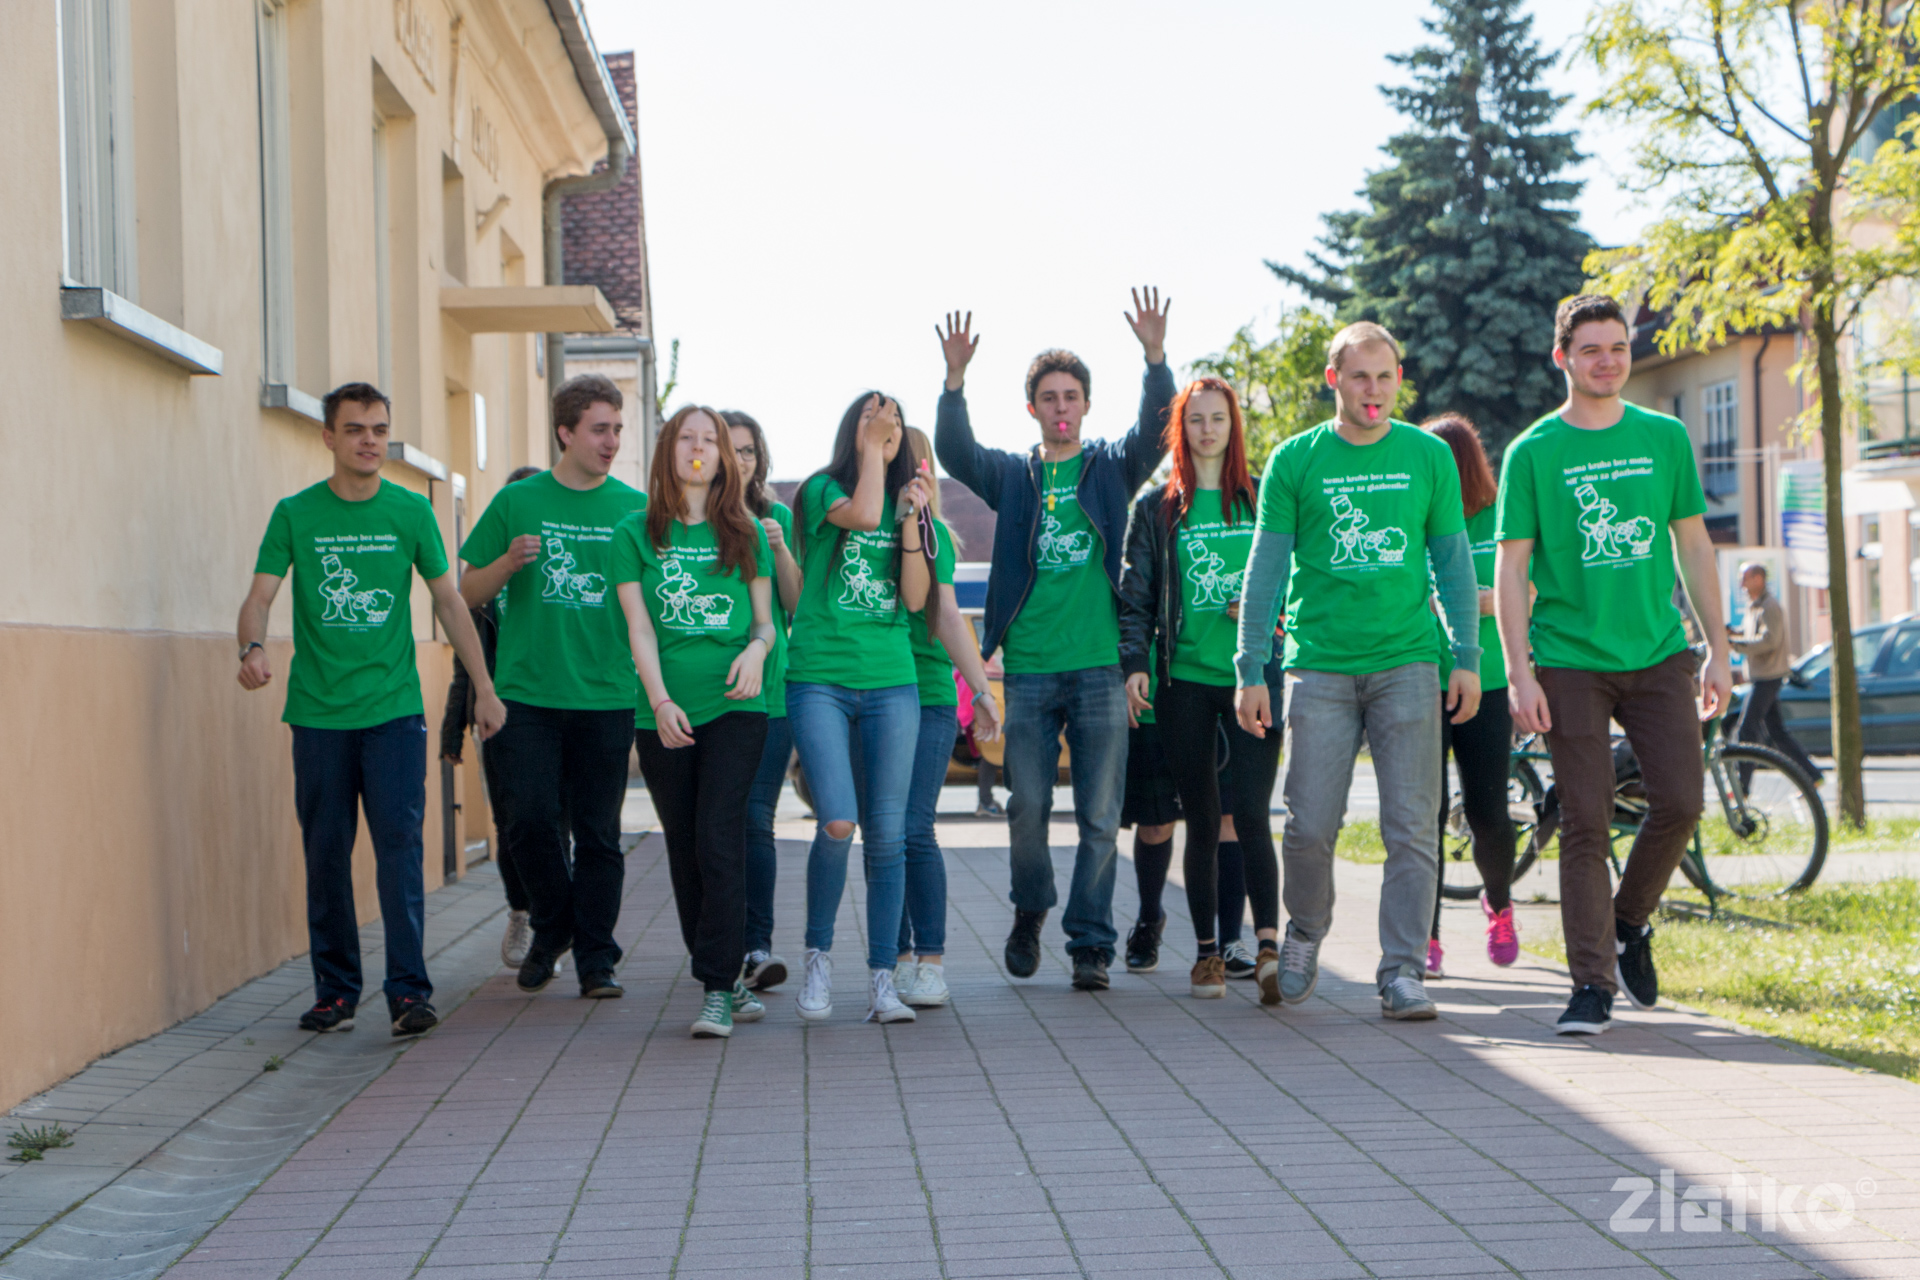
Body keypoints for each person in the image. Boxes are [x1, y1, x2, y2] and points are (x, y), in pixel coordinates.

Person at [238, 382, 505, 1037]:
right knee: (326, 854)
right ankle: (335, 993)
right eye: (356, 429)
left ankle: (409, 993)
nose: (370, 441)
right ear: (328, 436)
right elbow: (259, 598)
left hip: (393, 714)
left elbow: (450, 602)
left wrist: (484, 687)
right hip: (319, 716)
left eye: (380, 430)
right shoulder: (296, 514)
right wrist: (251, 647)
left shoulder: (410, 512)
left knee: (400, 853)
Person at [1496, 294, 1732, 1036]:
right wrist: (1520, 671)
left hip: (1659, 651)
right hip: (1570, 659)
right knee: (1586, 820)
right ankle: (1591, 986)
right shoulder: (1533, 451)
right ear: (1562, 357)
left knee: (1682, 802)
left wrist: (1718, 648)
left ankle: (1629, 920)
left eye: (1618, 347)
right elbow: (1511, 569)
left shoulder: (1664, 437)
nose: (1608, 361)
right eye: (1591, 349)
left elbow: (1694, 546)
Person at [1234, 322, 1483, 1022]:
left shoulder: (1429, 456)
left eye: (1385, 376)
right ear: (1333, 379)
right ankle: (1307, 930)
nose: (1373, 391)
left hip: (1408, 662)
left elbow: (1453, 563)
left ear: (1399, 379)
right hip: (1319, 667)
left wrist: (1466, 656)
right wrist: (1249, 667)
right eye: (1359, 376)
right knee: (1309, 825)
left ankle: (1402, 970)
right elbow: (1265, 569)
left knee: (1412, 826)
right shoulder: (1296, 459)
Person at [934, 290, 1175, 992]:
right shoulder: (1015, 477)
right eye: (1049, 398)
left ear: (1086, 405)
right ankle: (1031, 907)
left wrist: (1154, 358)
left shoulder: (1110, 469)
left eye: (1071, 396)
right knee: (1027, 808)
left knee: (1100, 817)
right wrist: (954, 381)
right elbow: (956, 451)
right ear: (1032, 408)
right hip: (1032, 672)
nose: (1061, 407)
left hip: (1100, 669)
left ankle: (1090, 943)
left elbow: (1156, 431)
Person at [459, 374, 646, 1000]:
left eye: (617, 429)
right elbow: (465, 591)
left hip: (607, 694)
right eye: (599, 429)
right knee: (529, 822)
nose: (612, 441)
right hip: (526, 695)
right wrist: (507, 563)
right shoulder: (518, 500)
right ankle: (554, 923)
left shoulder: (635, 509)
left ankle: (595, 960)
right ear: (566, 432)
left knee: (598, 835)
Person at [613, 406, 778, 1039]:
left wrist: (756, 651)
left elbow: (764, 623)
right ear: (669, 451)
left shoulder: (747, 532)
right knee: (684, 846)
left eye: (710, 439)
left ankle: (715, 988)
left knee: (718, 835)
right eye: (687, 437)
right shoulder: (634, 534)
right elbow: (640, 629)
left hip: (737, 706)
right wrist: (659, 701)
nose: (699, 447)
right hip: (662, 713)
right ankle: (725, 976)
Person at [1120, 378, 1285, 1001]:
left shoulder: (1264, 499)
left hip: (1254, 681)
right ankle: (1208, 954)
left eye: (1218, 418)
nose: (1208, 429)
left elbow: (1296, 578)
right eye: (1196, 420)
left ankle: (1267, 948)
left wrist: (1267, 610)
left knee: (1253, 816)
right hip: (1183, 681)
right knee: (1201, 818)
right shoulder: (1157, 509)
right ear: (1181, 429)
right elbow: (1136, 594)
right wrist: (1134, 661)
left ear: (1233, 425)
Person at [786, 393, 934, 1024]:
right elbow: (864, 512)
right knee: (838, 822)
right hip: (820, 678)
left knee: (889, 836)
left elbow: (916, 599)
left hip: (892, 682)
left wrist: (913, 522)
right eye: (877, 422)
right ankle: (817, 960)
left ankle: (882, 980)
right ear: (856, 430)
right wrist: (873, 451)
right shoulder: (822, 491)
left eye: (896, 424)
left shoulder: (902, 503)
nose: (889, 430)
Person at [894, 428, 1004, 1009]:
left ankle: (929, 961)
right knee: (885, 832)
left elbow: (948, 616)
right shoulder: (861, 535)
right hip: (874, 692)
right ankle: (896, 958)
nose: (914, 475)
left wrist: (981, 689)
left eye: (921, 465)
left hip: (931, 695)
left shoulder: (936, 538)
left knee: (914, 827)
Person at [1421, 415, 1520, 978]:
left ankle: (1499, 905)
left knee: (1488, 815)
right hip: (1421, 683)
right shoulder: (1413, 518)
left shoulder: (1496, 517)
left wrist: (1487, 602)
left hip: (1488, 682)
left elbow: (1531, 585)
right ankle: (1427, 935)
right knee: (1425, 816)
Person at [440, 464, 544, 968]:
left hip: (553, 708)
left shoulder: (556, 567)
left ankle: (550, 923)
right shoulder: (488, 579)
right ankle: (521, 912)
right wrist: (451, 729)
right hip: (498, 714)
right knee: (512, 822)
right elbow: (468, 657)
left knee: (555, 822)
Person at [723, 410, 804, 992]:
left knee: (755, 819)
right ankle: (717, 945)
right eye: (730, 449)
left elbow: (797, 605)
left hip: (771, 693)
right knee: (711, 825)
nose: (740, 459)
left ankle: (756, 947)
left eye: (748, 450)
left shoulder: (778, 518)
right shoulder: (687, 520)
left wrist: (780, 551)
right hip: (705, 693)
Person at [1729, 563, 1820, 783]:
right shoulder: (1755, 606)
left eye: (1745, 578)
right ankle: (1812, 775)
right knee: (1777, 732)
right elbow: (1753, 633)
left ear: (1758, 579)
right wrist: (1733, 634)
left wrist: (1737, 645)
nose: (1741, 584)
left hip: (1768, 676)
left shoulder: (1769, 606)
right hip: (1762, 676)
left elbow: (1770, 640)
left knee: (1746, 729)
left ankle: (1743, 786)